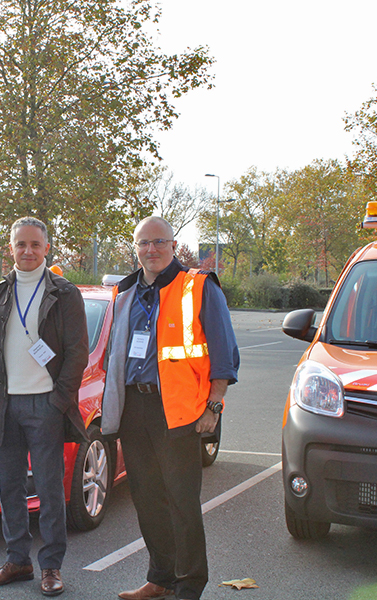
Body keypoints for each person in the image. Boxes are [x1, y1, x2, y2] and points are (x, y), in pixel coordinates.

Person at [101, 216, 239, 600]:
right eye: (143, 243)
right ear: (136, 248)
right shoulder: (125, 292)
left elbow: (224, 352)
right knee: (146, 498)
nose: (151, 249)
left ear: (173, 245)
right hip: (134, 408)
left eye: (159, 241)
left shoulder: (198, 286)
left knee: (182, 501)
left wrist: (214, 404)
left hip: (179, 411)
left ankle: (189, 585)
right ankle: (160, 577)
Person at [0, 216, 89, 597]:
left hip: (46, 406)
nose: (28, 251)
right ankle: (17, 560)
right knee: (11, 489)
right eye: (21, 244)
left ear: (47, 248)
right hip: (4, 405)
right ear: (11, 248)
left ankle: (50, 566)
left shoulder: (65, 293)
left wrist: (58, 402)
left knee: (51, 490)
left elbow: (77, 354)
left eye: (35, 244)